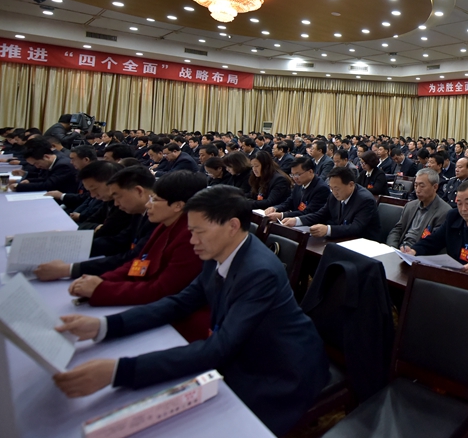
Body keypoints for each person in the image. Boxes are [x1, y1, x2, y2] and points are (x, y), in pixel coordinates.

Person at [53, 185, 329, 436]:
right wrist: (105, 326)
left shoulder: (259, 272)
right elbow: (180, 302)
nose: (192, 239)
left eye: (198, 231)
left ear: (232, 226)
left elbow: (219, 348)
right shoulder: (216, 249)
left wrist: (119, 371)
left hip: (278, 368)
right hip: (243, 349)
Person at [67, 170, 211, 341]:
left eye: (155, 200)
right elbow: (141, 262)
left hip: (180, 322)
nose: (148, 205)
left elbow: (163, 291)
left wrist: (102, 289)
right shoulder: (166, 224)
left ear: (178, 206)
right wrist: (103, 280)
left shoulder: (191, 237)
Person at [299, 165, 379, 239]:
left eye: (337, 189)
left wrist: (327, 230)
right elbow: (321, 215)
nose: (334, 192)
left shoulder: (365, 200)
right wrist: (297, 220)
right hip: (342, 238)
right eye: (331, 188)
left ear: (351, 184)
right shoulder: (334, 195)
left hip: (363, 242)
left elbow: (356, 228)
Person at [386, 168, 452, 248]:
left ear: (435, 187)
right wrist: (392, 247)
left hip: (419, 252)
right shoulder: (410, 205)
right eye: (415, 185)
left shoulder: (444, 212)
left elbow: (434, 243)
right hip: (400, 248)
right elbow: (397, 230)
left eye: (422, 186)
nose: (417, 190)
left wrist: (412, 251)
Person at [266, 156, 331, 225]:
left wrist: (282, 215)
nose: (295, 178)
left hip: (309, 224)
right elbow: (289, 202)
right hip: (294, 221)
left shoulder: (321, 188)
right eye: (292, 175)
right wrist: (275, 208)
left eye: (297, 174)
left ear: (310, 171)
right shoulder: (299, 184)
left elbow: (309, 212)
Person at [13, 140, 77, 193]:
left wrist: (18, 187)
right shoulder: (51, 161)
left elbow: (48, 185)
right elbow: (44, 178)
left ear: (46, 157)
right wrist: (29, 181)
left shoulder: (63, 165)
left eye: (37, 163)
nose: (37, 167)